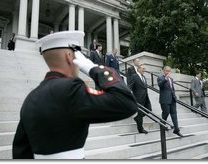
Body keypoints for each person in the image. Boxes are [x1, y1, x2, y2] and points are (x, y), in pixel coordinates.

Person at [12, 31, 138, 159]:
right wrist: (94, 68)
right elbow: (127, 103)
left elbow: (20, 151)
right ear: (69, 56)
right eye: (78, 54)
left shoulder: (30, 98)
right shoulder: (71, 89)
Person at [157, 66, 183, 137]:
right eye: (166, 71)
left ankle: (176, 130)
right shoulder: (160, 78)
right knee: (166, 113)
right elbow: (160, 85)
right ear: (163, 71)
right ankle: (162, 124)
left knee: (174, 115)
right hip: (164, 99)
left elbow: (172, 89)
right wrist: (165, 78)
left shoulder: (171, 79)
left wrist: (174, 96)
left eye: (169, 71)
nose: (168, 72)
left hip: (172, 99)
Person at [128, 64, 152, 134]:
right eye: (143, 68)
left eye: (144, 69)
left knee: (148, 110)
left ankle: (136, 118)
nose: (144, 70)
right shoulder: (134, 76)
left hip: (145, 98)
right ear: (138, 69)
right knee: (140, 113)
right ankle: (140, 129)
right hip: (138, 98)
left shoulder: (143, 77)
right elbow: (130, 86)